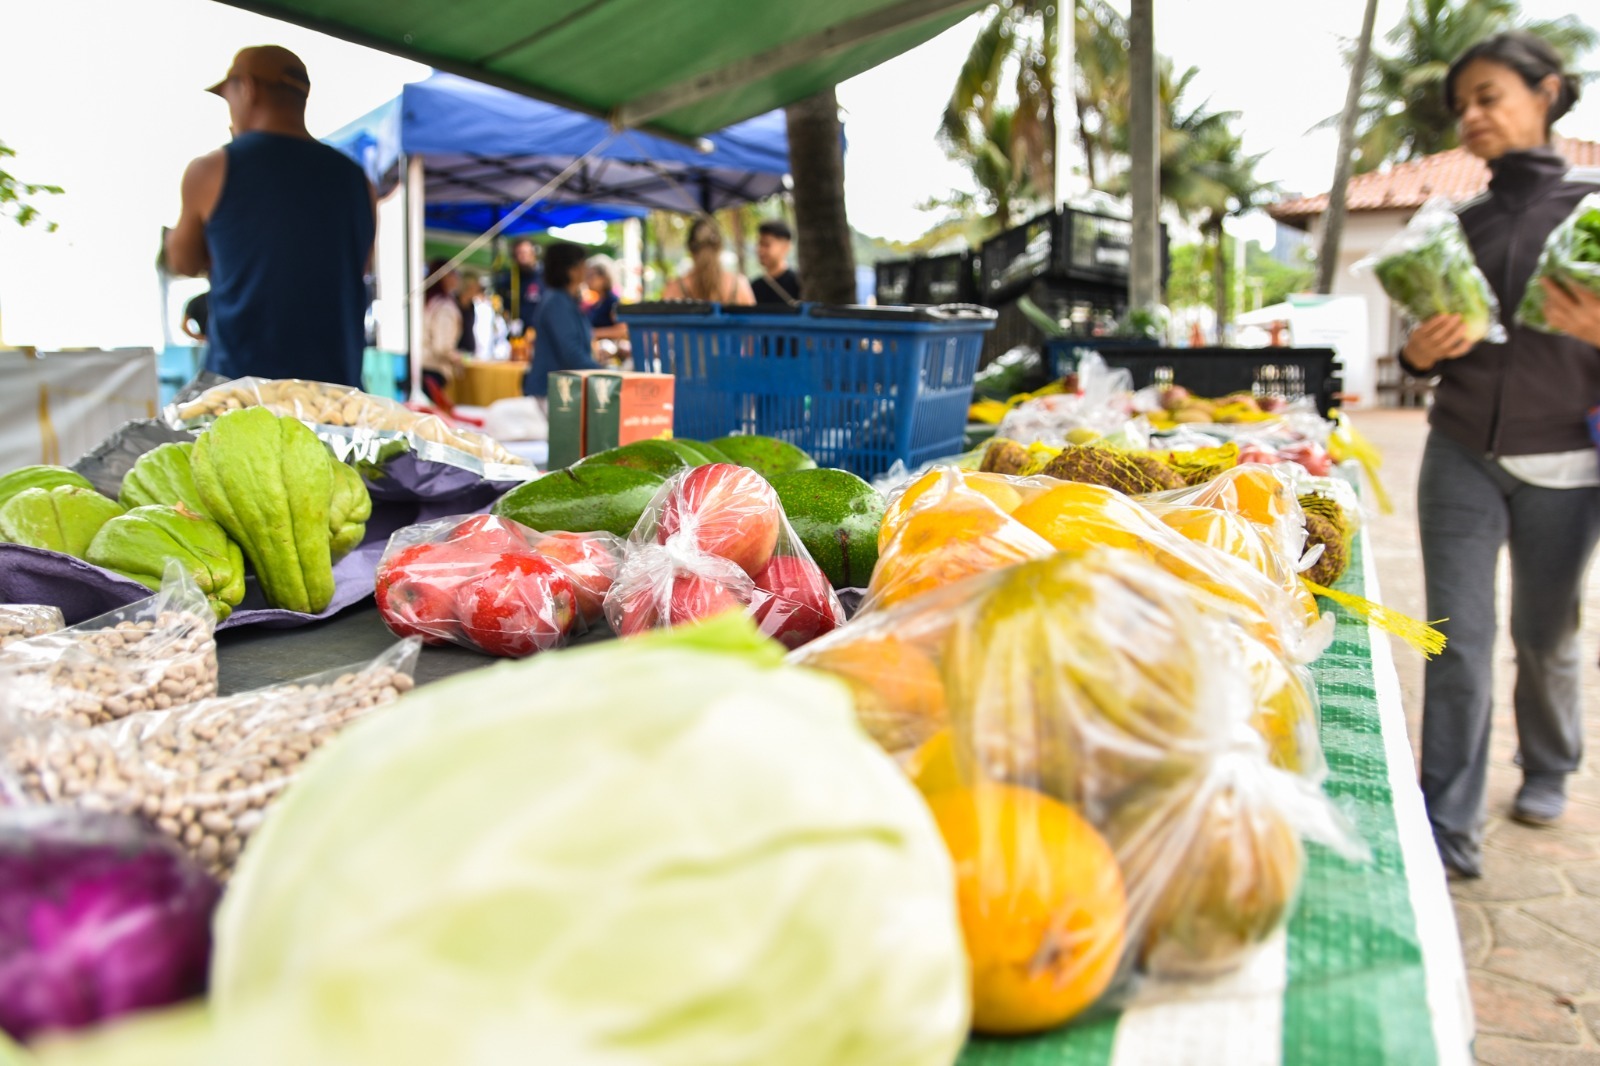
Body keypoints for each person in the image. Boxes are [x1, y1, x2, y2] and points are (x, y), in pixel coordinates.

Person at [1399, 32, 1600, 880]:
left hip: (1566, 463)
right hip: (1460, 453)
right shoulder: (1453, 225)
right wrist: (1418, 354)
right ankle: (1448, 827)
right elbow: (1422, 353)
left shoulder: (1591, 216)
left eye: (1488, 96)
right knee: (1456, 641)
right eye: (1463, 106)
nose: (1472, 116)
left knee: (1545, 633)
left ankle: (1550, 765)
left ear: (1546, 91)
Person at [165, 46, 375, 387]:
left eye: (228, 95)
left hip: (241, 394)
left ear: (246, 88)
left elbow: (183, 261)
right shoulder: (358, 180)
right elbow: (358, 268)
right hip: (335, 396)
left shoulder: (212, 169)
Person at [523, 242, 602, 406]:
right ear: (571, 270)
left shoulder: (566, 301)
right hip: (552, 395)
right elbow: (571, 353)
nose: (586, 270)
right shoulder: (556, 302)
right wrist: (607, 374)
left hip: (563, 393)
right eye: (583, 264)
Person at [662, 217, 755, 305]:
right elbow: (753, 319)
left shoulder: (675, 288)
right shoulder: (739, 285)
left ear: (690, 249)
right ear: (720, 247)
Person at [420, 260, 464, 400]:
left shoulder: (427, 301)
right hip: (433, 371)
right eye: (454, 274)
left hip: (420, 367)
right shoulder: (444, 306)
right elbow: (442, 347)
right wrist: (457, 358)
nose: (457, 278)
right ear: (445, 277)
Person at [751, 219, 801, 306]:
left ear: (785, 247)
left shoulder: (799, 284)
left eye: (766, 244)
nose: (760, 250)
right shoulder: (753, 287)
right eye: (759, 244)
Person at [500, 239, 544, 331]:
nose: (523, 256)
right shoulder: (509, 279)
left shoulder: (544, 277)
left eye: (525, 252)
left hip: (540, 332)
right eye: (519, 253)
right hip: (516, 334)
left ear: (533, 253)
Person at [456, 273, 484, 358]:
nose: (478, 289)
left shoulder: (471, 306)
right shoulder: (455, 305)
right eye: (476, 286)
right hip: (456, 354)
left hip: (468, 354)